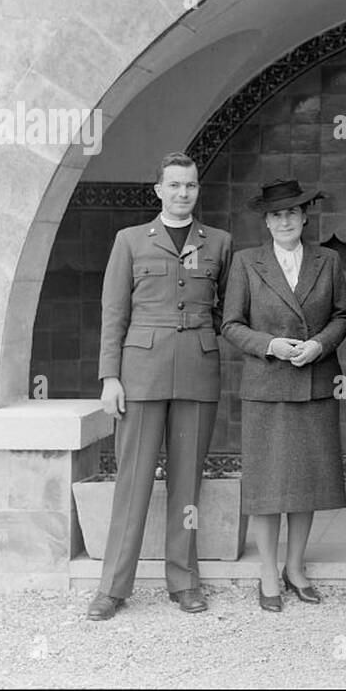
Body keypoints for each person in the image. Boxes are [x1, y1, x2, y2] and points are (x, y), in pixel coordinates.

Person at [87, 152, 232, 620]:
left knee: (187, 481)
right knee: (133, 482)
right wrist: (110, 377)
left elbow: (225, 312)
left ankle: (184, 581)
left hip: (197, 369)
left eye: (190, 186)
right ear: (159, 190)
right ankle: (113, 587)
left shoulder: (219, 243)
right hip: (141, 372)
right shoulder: (129, 241)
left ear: (197, 190)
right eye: (174, 186)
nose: (183, 193)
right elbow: (114, 313)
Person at [221, 180, 346, 612]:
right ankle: (268, 571)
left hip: (314, 383)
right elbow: (231, 324)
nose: (285, 220)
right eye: (277, 214)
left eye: (293, 212)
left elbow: (342, 316)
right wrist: (270, 345)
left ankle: (295, 568)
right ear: (267, 221)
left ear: (305, 216)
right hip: (267, 385)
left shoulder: (327, 260)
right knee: (268, 485)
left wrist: (320, 345)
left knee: (306, 482)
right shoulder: (246, 262)